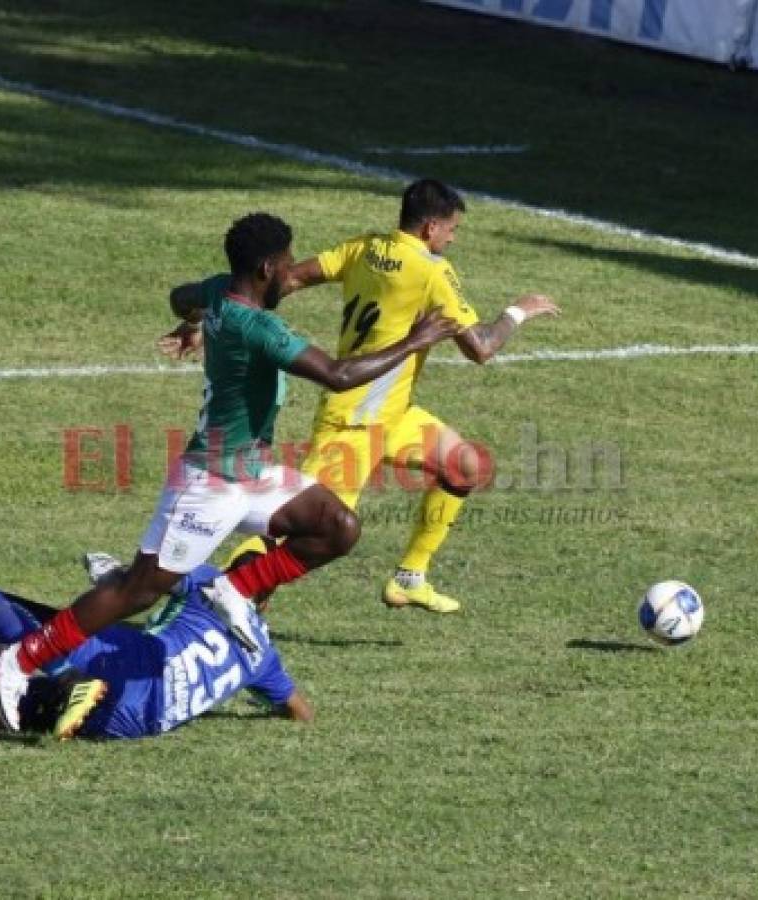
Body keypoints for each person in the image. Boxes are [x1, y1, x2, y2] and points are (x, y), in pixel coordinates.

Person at [0, 212, 459, 731]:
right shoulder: (258, 326)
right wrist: (416, 339)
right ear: (265, 268)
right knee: (137, 590)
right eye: (285, 266)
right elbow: (339, 375)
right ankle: (21, 660)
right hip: (208, 482)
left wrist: (194, 325)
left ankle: (234, 591)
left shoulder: (219, 293)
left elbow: (178, 296)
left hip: (252, 473)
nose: (291, 275)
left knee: (336, 526)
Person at [209, 180, 561, 613]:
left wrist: (223, 312)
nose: (453, 238)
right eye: (452, 229)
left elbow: (292, 277)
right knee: (289, 531)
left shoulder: (365, 248)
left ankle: (410, 577)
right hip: (356, 419)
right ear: (431, 227)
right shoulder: (432, 271)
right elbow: (480, 347)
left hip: (393, 412)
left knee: (465, 465)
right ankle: (217, 596)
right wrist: (517, 312)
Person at [0, 565, 311, 740]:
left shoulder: (213, 584)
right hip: (133, 725)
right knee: (63, 701)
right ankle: (27, 706)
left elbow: (149, 578)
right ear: (266, 602)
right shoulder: (264, 658)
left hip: (133, 665)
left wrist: (113, 573)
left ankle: (65, 679)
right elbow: (300, 712)